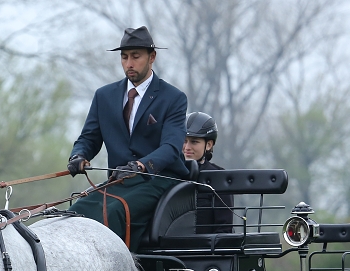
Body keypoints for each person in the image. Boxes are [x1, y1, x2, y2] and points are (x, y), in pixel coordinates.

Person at [67, 26, 190, 251]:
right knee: (75, 212)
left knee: (113, 211)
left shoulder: (173, 98)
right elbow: (89, 137)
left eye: (135, 57)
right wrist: (79, 155)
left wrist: (141, 165)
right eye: (124, 57)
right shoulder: (104, 96)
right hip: (119, 180)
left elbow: (171, 147)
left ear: (152, 57)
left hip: (159, 180)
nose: (129, 64)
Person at [183, 111, 234, 233]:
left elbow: (224, 227)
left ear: (209, 145)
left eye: (194, 141)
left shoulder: (219, 177)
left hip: (205, 249)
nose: (187, 147)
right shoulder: (166, 172)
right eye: (184, 141)